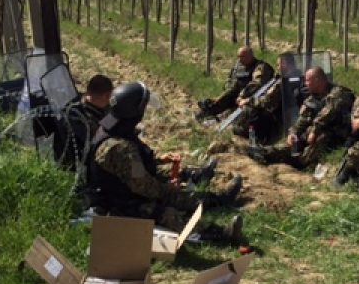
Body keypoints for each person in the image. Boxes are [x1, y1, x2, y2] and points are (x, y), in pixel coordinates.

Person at [87, 81, 244, 244]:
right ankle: (220, 234)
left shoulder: (112, 128)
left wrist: (159, 162)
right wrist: (169, 189)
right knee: (169, 214)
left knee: (178, 193)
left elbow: (131, 165)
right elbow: (144, 187)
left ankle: (218, 199)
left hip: (125, 189)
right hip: (119, 204)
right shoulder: (120, 147)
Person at [248, 66, 353, 169]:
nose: (305, 84)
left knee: (320, 139)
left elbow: (328, 113)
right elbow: (303, 118)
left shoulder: (339, 93)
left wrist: (315, 131)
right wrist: (294, 132)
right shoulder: (313, 98)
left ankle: (301, 162)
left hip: (338, 133)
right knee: (296, 141)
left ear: (317, 80)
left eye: (308, 81)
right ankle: (267, 153)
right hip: (316, 130)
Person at [196, 46, 275, 120]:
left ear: (251, 56)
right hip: (234, 97)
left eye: (243, 57)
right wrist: (221, 96)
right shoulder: (238, 67)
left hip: (251, 100)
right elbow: (231, 81)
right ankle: (209, 111)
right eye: (239, 57)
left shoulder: (261, 67)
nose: (240, 60)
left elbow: (256, 84)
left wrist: (242, 95)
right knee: (216, 105)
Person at [55, 74, 113, 172]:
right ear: (106, 96)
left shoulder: (86, 102)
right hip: (79, 167)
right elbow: (98, 139)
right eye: (109, 96)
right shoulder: (77, 116)